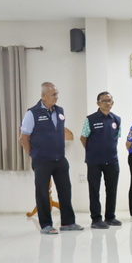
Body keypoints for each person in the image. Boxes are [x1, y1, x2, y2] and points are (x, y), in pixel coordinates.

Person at [19, 82, 83, 234]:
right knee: (42, 192)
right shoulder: (32, 113)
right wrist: (33, 154)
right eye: (53, 94)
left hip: (60, 159)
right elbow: (23, 138)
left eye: (57, 94)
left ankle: (68, 223)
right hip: (41, 160)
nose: (56, 97)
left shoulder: (60, 111)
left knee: (65, 190)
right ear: (43, 96)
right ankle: (46, 225)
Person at [80, 91, 122, 229]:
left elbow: (116, 138)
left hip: (112, 160)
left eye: (110, 101)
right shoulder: (90, 119)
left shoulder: (117, 119)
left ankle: (110, 217)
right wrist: (92, 151)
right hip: (94, 161)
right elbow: (83, 138)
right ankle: (96, 219)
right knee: (94, 190)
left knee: (112, 190)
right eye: (104, 101)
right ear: (98, 103)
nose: (107, 103)